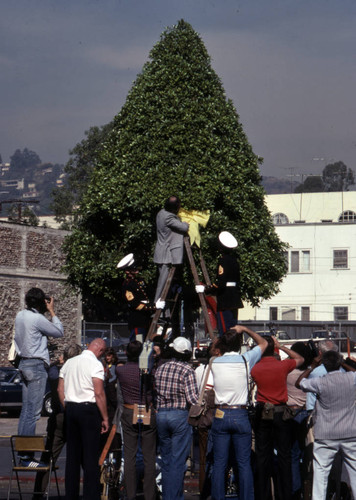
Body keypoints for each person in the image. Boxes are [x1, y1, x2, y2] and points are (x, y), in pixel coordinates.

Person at [209, 325, 268, 500]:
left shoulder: (214, 362)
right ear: (240, 344)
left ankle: (218, 497)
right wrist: (246, 329)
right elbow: (264, 343)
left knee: (219, 463)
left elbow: (213, 349)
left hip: (221, 412)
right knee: (243, 464)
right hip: (240, 413)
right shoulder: (246, 360)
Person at [297, 350, 356, 500]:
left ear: (324, 364)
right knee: (355, 472)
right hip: (350, 432)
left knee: (321, 474)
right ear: (339, 363)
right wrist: (342, 362)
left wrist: (311, 366)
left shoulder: (320, 382)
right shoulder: (351, 378)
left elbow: (299, 383)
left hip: (326, 434)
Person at [14, 287, 64, 464]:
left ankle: (21, 454)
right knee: (33, 413)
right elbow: (59, 332)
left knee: (25, 411)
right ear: (41, 301)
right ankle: (26, 457)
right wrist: (51, 311)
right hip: (36, 365)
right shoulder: (38, 318)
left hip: (23, 363)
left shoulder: (20, 315)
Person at [251, 335, 304, 500]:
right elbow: (300, 358)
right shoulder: (282, 365)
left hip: (263, 412)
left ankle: (263, 494)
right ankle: (285, 494)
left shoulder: (255, 368)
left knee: (262, 456)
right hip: (281, 413)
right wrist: (281, 347)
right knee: (284, 456)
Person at [58, 338, 109, 500]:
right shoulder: (95, 365)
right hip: (89, 410)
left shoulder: (69, 362)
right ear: (100, 351)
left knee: (72, 456)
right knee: (90, 457)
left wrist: (68, 407)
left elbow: (60, 389)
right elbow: (99, 393)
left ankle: (71, 495)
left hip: (71, 408)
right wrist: (105, 417)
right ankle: (90, 495)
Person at [34, 344, 82, 498]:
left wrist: (57, 362)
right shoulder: (77, 371)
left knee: (48, 457)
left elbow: (51, 371)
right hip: (74, 414)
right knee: (80, 456)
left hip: (57, 417)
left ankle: (38, 492)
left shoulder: (56, 372)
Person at [154, 336, 199, 500]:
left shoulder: (161, 368)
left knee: (166, 460)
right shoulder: (188, 370)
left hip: (162, 414)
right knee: (178, 461)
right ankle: (174, 496)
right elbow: (192, 399)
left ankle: (168, 495)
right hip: (179, 415)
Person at [116, 341, 157, 500]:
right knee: (149, 456)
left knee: (130, 455)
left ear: (126, 353)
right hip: (146, 409)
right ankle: (149, 495)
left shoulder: (120, 370)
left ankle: (130, 494)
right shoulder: (148, 371)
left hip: (128, 409)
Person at [196, 231, 243, 336]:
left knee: (224, 330)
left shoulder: (223, 261)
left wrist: (205, 289)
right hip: (234, 297)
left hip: (225, 299)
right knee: (233, 329)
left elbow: (221, 284)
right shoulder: (235, 260)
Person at [117, 253, 164, 341]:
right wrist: (154, 306)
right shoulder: (127, 286)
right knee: (138, 345)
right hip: (138, 322)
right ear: (127, 271)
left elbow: (149, 293)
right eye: (134, 270)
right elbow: (135, 304)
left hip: (147, 320)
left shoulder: (139, 281)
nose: (137, 271)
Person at [153, 196, 189, 302]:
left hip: (162, 251)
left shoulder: (161, 213)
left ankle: (165, 313)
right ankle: (157, 305)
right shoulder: (168, 217)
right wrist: (185, 223)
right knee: (163, 283)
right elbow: (184, 227)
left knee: (165, 285)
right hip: (165, 254)